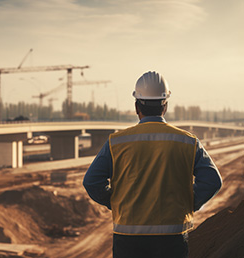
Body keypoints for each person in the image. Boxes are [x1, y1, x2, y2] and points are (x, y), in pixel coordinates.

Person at [83, 71, 222, 258]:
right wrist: (187, 204)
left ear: (136, 106)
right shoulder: (187, 141)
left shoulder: (117, 142)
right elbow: (213, 181)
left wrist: (116, 202)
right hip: (172, 238)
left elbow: (91, 182)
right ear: (165, 106)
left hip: (128, 237)